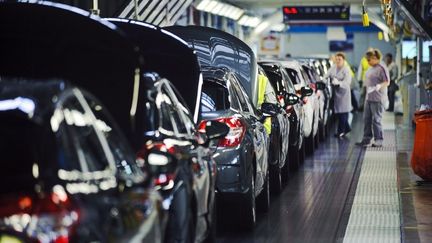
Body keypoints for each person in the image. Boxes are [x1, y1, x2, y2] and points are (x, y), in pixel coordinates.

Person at [356, 49, 389, 147]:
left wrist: (379, 86)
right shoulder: (371, 68)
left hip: (377, 99)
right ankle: (366, 139)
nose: (368, 62)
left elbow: (387, 81)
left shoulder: (381, 68)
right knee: (366, 119)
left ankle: (379, 140)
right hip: (368, 98)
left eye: (369, 60)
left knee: (376, 120)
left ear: (375, 58)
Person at [324, 52, 352, 137]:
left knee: (343, 113)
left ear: (343, 60)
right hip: (336, 93)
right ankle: (347, 128)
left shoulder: (346, 69)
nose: (338, 60)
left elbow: (347, 82)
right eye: (336, 59)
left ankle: (341, 131)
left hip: (344, 93)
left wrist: (339, 82)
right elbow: (326, 75)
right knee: (339, 113)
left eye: (339, 59)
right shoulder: (333, 68)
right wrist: (325, 80)